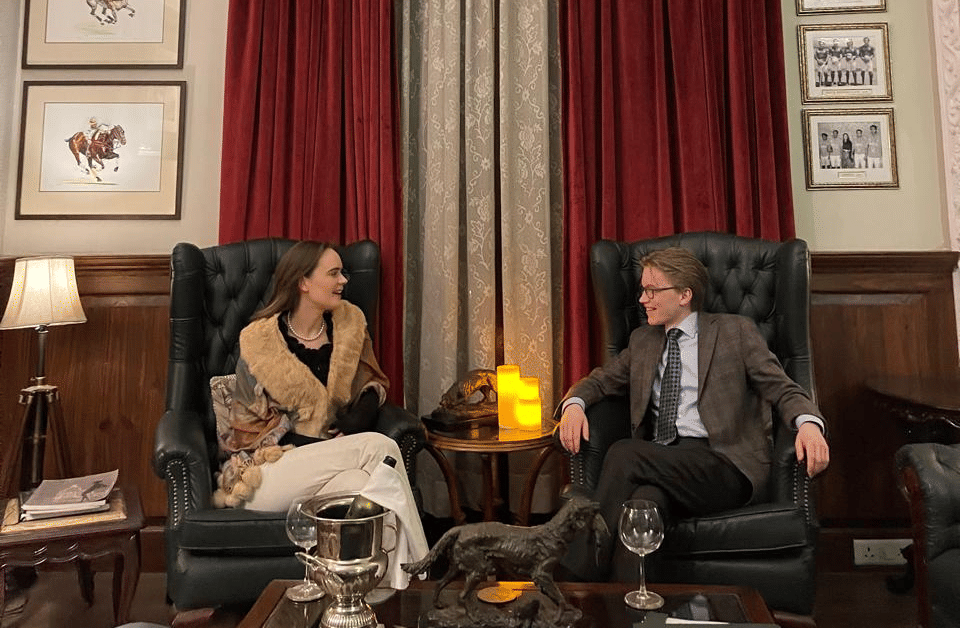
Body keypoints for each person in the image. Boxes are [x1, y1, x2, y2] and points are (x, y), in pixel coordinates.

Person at [557, 247, 830, 582]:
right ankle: (631, 614)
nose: (643, 299)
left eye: (652, 291)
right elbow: (601, 380)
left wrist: (809, 425)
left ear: (685, 294)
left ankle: (575, 574)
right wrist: (574, 404)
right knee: (643, 506)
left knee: (624, 453)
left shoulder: (735, 332)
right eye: (643, 291)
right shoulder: (643, 341)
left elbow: (782, 388)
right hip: (662, 461)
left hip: (723, 463)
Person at [211, 240, 427, 585]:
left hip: (325, 469)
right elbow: (243, 429)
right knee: (379, 447)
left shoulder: (349, 326)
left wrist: (366, 406)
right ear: (303, 282)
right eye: (333, 273)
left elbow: (372, 378)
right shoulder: (259, 341)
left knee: (366, 488)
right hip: (262, 474)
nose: (343, 280)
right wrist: (296, 431)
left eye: (343, 271)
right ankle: (422, 570)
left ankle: (375, 601)